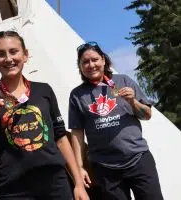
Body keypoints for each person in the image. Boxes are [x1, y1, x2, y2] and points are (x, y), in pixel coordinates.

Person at [0, 30, 89, 200]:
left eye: (14, 51)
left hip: (55, 183)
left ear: (25, 55)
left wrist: (78, 183)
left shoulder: (44, 90)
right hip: (13, 189)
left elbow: (61, 138)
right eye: (0, 54)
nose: (8, 58)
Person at [69, 41, 164, 200]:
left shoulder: (123, 81)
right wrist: (79, 167)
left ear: (103, 60)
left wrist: (133, 102)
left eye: (95, 59)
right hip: (105, 167)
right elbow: (77, 132)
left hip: (138, 158)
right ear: (80, 66)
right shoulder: (77, 95)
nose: (91, 65)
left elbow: (147, 115)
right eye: (85, 62)